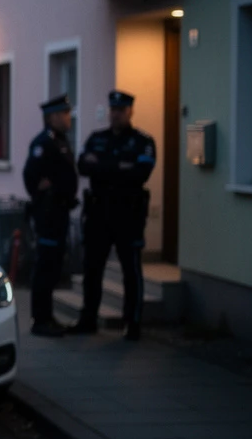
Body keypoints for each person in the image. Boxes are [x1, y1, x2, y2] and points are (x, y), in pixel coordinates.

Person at [77, 90, 156, 340]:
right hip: (99, 215)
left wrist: (102, 166)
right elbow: (83, 166)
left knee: (131, 271)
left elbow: (141, 174)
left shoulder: (143, 141)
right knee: (93, 269)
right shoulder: (97, 138)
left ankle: (132, 323)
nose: (116, 115)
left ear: (130, 112)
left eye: (121, 111)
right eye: (113, 110)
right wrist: (121, 166)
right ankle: (88, 319)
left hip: (128, 216)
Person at [22, 94, 80, 337]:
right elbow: (30, 176)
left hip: (60, 212)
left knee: (54, 266)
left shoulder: (60, 140)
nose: (69, 117)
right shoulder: (43, 143)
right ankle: (40, 320)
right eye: (65, 114)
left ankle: (48, 317)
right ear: (53, 116)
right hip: (48, 214)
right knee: (45, 266)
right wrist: (42, 191)